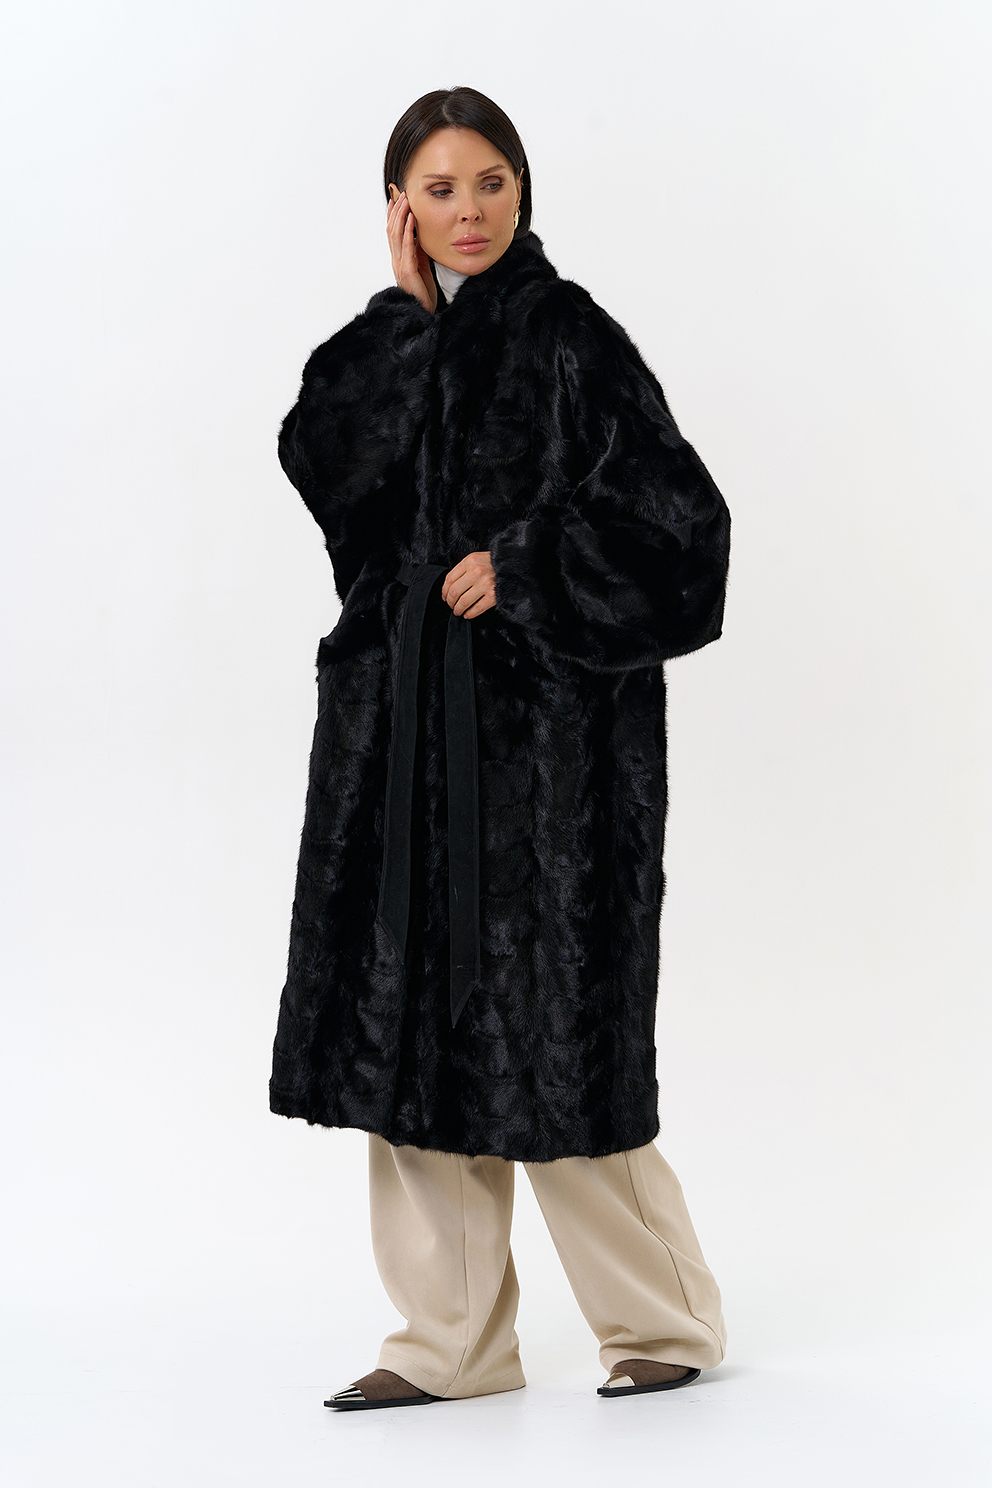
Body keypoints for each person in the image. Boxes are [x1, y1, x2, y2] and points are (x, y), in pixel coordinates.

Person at [270, 86, 732, 1410]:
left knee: (558, 1041)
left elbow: (685, 534)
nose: (468, 210)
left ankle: (664, 1322)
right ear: (400, 209)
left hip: (551, 770)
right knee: (409, 1043)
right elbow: (321, 468)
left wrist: (526, 567)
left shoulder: (572, 336)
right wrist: (401, 322)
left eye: (490, 183)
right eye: (439, 189)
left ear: (523, 190)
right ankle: (450, 1345)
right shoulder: (399, 345)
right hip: (400, 750)